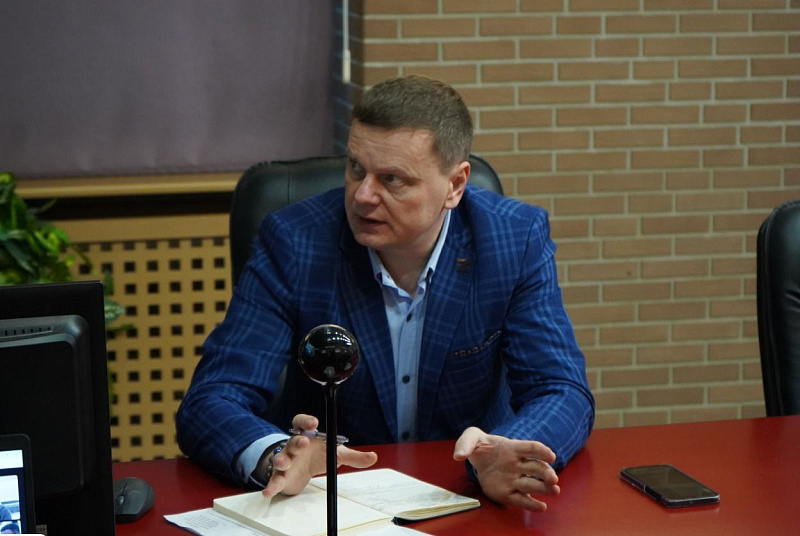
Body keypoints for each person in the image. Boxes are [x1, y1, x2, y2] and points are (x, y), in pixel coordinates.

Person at [177, 75, 594, 512]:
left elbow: (561, 389)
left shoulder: (512, 240)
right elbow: (212, 398)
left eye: (392, 179)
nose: (362, 195)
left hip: (464, 492)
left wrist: (508, 452)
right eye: (356, 168)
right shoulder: (295, 242)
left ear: (455, 185)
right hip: (331, 500)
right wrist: (276, 455)